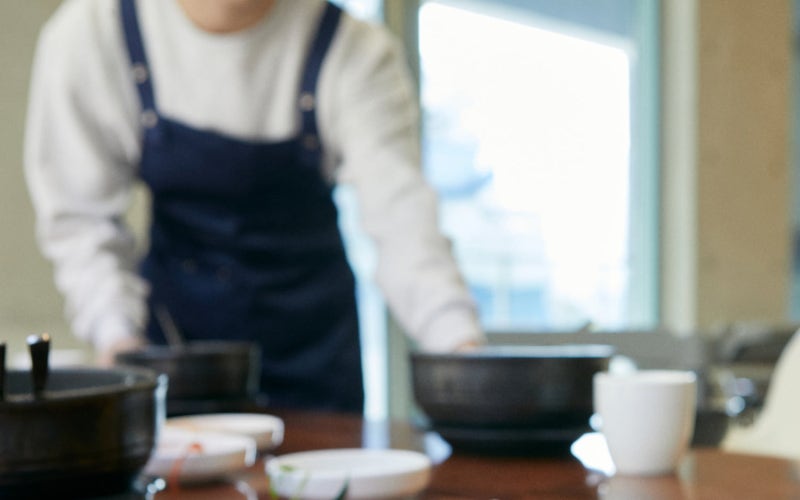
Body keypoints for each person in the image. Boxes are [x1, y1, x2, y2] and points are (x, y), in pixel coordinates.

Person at [24, 0, 485, 412]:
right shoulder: (92, 34)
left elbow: (403, 221)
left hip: (318, 361)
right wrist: (119, 342)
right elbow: (81, 225)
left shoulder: (355, 49)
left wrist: (464, 352)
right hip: (175, 361)